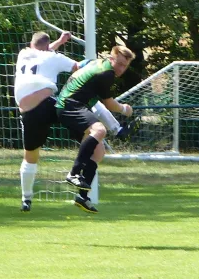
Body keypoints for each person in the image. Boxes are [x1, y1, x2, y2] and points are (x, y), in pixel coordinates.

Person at [56, 45, 136, 213]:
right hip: (69, 105)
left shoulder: (97, 63)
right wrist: (124, 109)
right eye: (119, 63)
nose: (121, 68)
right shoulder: (106, 73)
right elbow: (109, 104)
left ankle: (82, 197)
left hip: (72, 105)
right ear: (111, 58)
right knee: (99, 130)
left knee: (98, 152)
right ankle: (73, 173)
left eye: (125, 65)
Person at [14, 31, 78, 212]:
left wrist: (59, 41)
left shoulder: (23, 54)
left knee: (31, 156)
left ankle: (26, 199)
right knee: (87, 121)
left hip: (28, 111)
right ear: (47, 46)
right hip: (49, 104)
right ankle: (115, 126)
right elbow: (78, 67)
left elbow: (42, 50)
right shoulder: (54, 58)